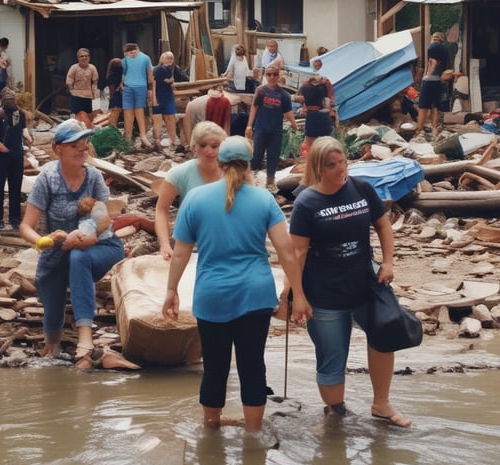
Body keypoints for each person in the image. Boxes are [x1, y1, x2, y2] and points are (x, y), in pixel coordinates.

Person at [162, 135, 309, 431]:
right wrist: (299, 295)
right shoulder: (264, 200)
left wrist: (171, 290)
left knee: (214, 368)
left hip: (212, 295)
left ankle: (211, 432)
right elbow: (286, 251)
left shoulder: (195, 198)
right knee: (252, 365)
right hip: (256, 295)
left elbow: (179, 254)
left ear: (220, 162)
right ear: (249, 165)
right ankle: (253, 435)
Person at [289, 136, 412, 427]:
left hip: (365, 283)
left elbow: (383, 226)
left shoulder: (361, 189)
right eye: (332, 165)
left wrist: (388, 262)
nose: (340, 169)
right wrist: (295, 295)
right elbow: (297, 253)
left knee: (385, 337)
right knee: (332, 356)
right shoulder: (307, 203)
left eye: (343, 162)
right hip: (324, 292)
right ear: (318, 168)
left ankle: (381, 404)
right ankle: (336, 415)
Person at [19, 118, 125, 363]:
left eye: (84, 143)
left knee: (79, 258)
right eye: (74, 145)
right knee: (49, 291)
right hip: (58, 249)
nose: (82, 149)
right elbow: (25, 227)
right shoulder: (48, 178)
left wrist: (86, 238)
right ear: (58, 149)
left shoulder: (94, 177)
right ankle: (52, 348)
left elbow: (103, 221)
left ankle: (85, 338)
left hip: (102, 246)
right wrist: (45, 241)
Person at [155, 121, 226, 260]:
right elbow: (161, 209)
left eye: (215, 146)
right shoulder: (179, 173)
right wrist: (164, 244)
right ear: (194, 147)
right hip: (191, 243)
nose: (209, 151)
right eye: (203, 145)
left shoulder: (233, 173)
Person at [0, 88, 33, 230]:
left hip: (16, 153)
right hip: (0, 155)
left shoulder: (19, 114)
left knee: (16, 187)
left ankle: (15, 218)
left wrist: (28, 138)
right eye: (7, 99)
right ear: (2, 100)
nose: (10, 102)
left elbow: (23, 129)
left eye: (12, 99)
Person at [245, 66, 298, 188]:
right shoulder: (261, 91)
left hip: (276, 131)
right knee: (256, 155)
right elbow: (254, 107)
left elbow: (288, 111)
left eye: (275, 74)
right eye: (269, 74)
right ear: (266, 76)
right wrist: (249, 126)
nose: (272, 77)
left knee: (273, 156)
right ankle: (251, 179)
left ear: (278, 76)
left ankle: (270, 181)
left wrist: (294, 124)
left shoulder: (284, 95)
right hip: (261, 129)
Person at [414, 31, 450, 140]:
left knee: (423, 106)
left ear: (433, 38)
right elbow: (446, 66)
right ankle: (435, 130)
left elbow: (432, 62)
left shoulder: (431, 47)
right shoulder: (445, 49)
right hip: (438, 81)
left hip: (428, 81)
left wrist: (427, 74)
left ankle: (419, 129)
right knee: (435, 106)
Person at [296, 58, 336, 150]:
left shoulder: (326, 82)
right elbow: (298, 96)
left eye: (319, 65)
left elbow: (331, 97)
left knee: (324, 145)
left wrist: (331, 110)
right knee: (312, 145)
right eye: (316, 65)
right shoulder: (307, 83)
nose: (318, 67)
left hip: (321, 114)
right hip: (313, 115)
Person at [121, 42, 154, 148]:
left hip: (140, 87)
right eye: (130, 52)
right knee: (128, 112)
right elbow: (123, 73)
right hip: (128, 87)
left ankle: (143, 137)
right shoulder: (125, 60)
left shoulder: (145, 58)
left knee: (139, 112)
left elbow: (150, 74)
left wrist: (150, 89)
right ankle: (128, 138)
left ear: (138, 49)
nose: (133, 54)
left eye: (134, 51)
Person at [152, 51, 186, 148]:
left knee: (169, 118)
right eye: (168, 59)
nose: (170, 61)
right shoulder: (157, 70)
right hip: (160, 95)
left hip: (167, 95)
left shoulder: (169, 69)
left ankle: (172, 139)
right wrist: (154, 98)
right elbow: (154, 84)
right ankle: (158, 139)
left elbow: (171, 80)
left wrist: (169, 81)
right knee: (159, 119)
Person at [66, 48, 99, 126]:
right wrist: (71, 90)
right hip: (76, 96)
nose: (84, 58)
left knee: (89, 117)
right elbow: (69, 79)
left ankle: (88, 130)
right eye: (81, 56)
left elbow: (95, 82)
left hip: (88, 96)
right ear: (78, 58)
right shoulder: (74, 67)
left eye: (86, 56)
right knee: (77, 118)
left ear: (89, 57)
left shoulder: (92, 68)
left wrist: (95, 94)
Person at [105, 57, 124, 127]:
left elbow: (112, 90)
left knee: (112, 121)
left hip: (115, 98)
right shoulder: (123, 75)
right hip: (122, 97)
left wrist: (111, 97)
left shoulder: (111, 76)